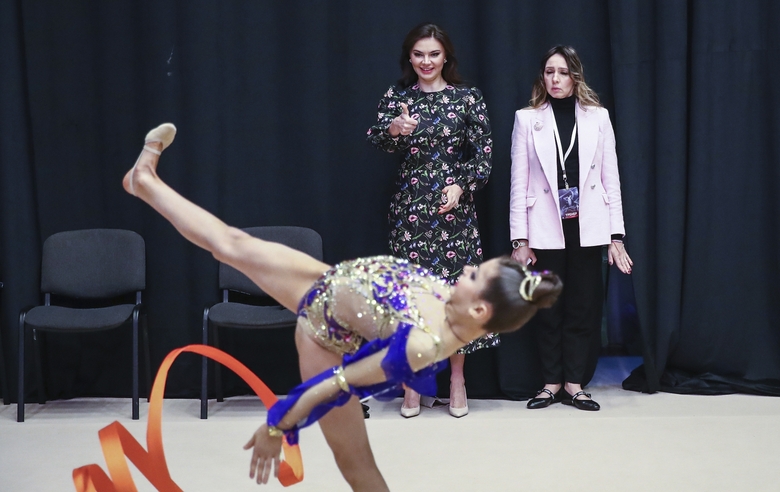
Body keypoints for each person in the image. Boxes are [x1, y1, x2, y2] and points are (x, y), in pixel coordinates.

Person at [124, 123, 561, 490]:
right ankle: (143, 180)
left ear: (481, 312)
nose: (464, 270)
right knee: (231, 244)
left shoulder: (424, 345)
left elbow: (334, 385)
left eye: (473, 276)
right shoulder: (457, 307)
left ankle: (144, 183)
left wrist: (278, 426)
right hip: (328, 278)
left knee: (359, 468)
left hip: (322, 326)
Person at [367, 23, 495, 418]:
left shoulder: (467, 98)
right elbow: (377, 138)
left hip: (455, 213)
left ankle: (457, 379)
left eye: (433, 54)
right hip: (411, 212)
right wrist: (395, 127)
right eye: (419, 54)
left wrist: (462, 186)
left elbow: (484, 155)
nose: (426, 61)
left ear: (446, 58)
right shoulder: (398, 97)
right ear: (410, 57)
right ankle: (412, 383)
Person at [509, 46, 633, 412]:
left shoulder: (598, 117)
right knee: (548, 307)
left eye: (562, 72)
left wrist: (616, 236)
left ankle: (575, 384)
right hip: (545, 227)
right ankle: (550, 384)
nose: (555, 79)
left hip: (588, 227)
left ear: (575, 76)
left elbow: (611, 180)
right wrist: (520, 239)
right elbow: (520, 182)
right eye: (549, 72)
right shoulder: (526, 118)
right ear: (542, 77)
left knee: (582, 306)